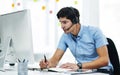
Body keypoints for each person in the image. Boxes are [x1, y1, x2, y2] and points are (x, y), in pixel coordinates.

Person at [39, 7, 113, 72]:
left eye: (65, 22)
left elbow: (104, 60)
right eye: (60, 23)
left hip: (102, 71)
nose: (62, 26)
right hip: (82, 71)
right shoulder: (65, 36)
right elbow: (54, 61)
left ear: (75, 20)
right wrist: (46, 64)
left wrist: (80, 65)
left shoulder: (94, 32)